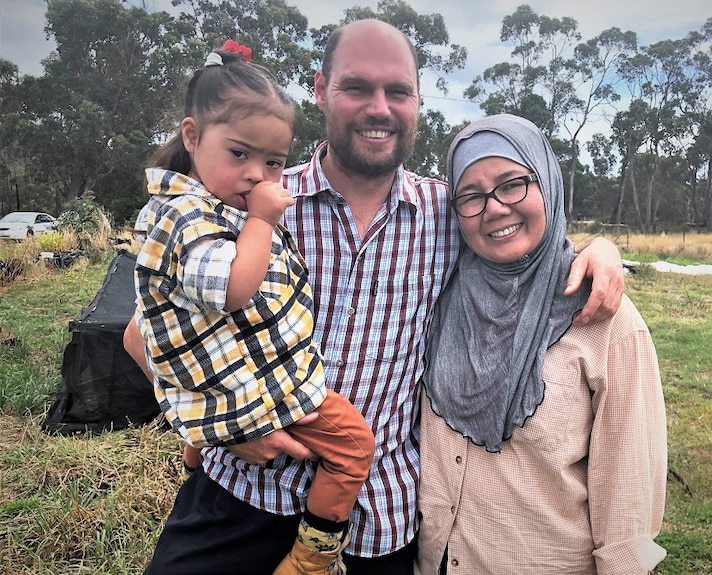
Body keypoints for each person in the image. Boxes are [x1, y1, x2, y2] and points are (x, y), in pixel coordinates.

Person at [125, 19, 626, 575]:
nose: (379, 108)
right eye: (357, 87)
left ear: (417, 100)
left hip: (377, 517)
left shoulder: (446, 214)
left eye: (399, 91)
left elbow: (523, 237)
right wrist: (225, 423)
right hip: (241, 493)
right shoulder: (255, 198)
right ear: (320, 90)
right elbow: (143, 334)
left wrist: (600, 249)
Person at [131, 40, 375, 575]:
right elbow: (234, 291)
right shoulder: (188, 218)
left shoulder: (211, 212)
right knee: (356, 444)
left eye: (273, 162)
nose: (258, 176)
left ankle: (197, 452)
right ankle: (312, 558)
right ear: (192, 136)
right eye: (239, 154)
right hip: (262, 399)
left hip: (242, 395)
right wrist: (264, 222)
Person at [417, 114, 668, 574]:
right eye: (471, 196)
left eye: (513, 184)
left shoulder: (604, 318)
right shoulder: (437, 292)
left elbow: (629, 494)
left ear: (548, 182)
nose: (493, 208)